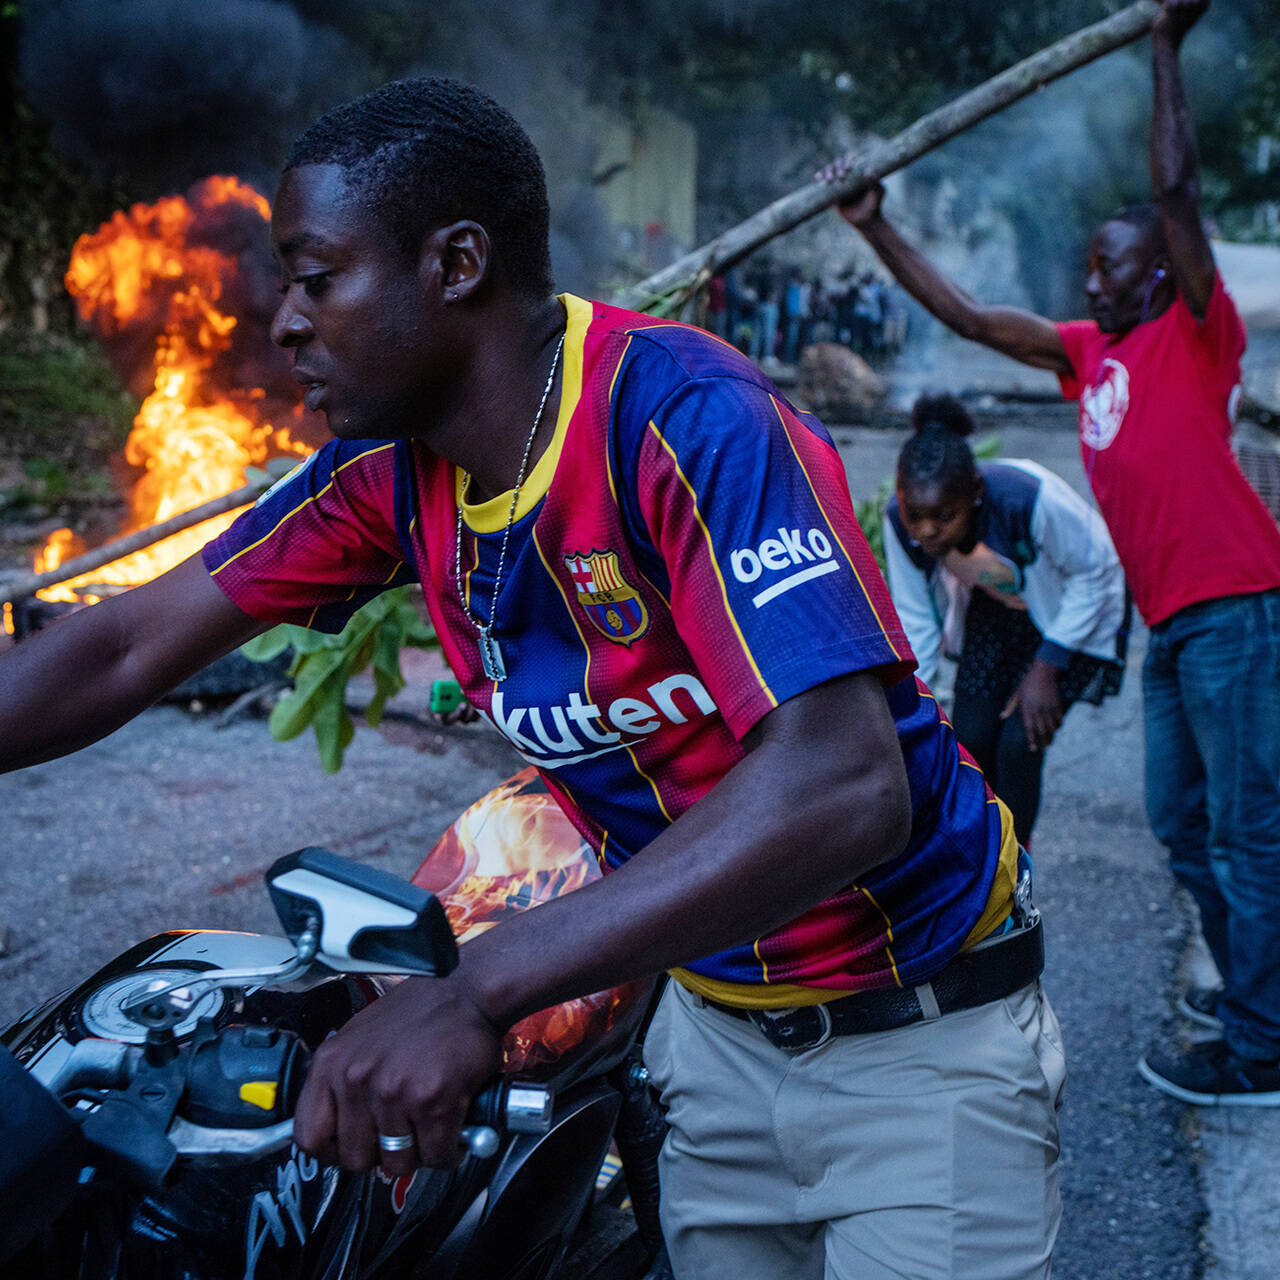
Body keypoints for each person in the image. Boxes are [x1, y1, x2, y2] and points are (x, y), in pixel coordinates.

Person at [0, 78, 1065, 1277]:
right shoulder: (387, 472)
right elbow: (124, 641)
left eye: (316, 277)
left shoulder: (682, 417)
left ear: (455, 263)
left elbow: (842, 783)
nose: (282, 321)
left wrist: (475, 990)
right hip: (711, 1039)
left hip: (916, 1039)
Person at [827, 0, 1280, 1105]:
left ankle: (1263, 1047)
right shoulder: (1087, 357)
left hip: (1234, 606)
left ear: (1159, 278)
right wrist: (873, 227)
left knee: (1243, 833)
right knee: (1182, 829)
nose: (1088, 282)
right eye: (1086, 265)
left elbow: (1175, 193)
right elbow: (976, 318)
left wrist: (1163, 44)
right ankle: (1251, 1001)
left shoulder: (1195, 331)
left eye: (1108, 266)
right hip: (1174, 627)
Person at [884, 393, 1128, 846]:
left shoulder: (1027, 501)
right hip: (997, 612)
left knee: (1020, 742)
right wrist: (911, 707)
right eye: (915, 516)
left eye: (944, 516)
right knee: (970, 737)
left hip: (1071, 617)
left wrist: (1046, 667)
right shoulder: (900, 521)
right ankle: (981, 856)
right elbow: (916, 620)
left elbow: (1098, 570)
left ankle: (1017, 863)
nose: (927, 531)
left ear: (976, 493)